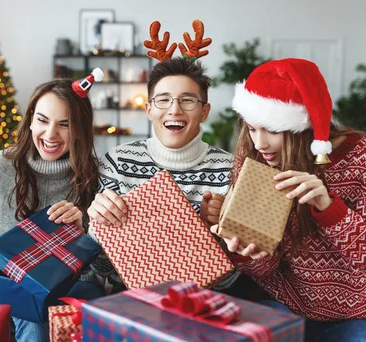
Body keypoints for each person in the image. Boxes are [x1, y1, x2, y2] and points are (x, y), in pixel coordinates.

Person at [211, 58, 366, 342]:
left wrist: (328, 207)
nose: (259, 143)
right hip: (284, 306)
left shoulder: (359, 157)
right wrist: (245, 251)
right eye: (252, 128)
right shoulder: (255, 159)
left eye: (271, 129)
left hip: (356, 314)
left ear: (303, 126)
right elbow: (265, 269)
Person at [82, 20, 240, 295]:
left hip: (202, 305)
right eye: (163, 100)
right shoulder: (119, 162)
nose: (175, 109)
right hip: (132, 304)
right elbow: (102, 271)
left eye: (188, 100)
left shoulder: (230, 170)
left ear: (204, 111)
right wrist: (98, 228)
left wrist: (217, 233)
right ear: (149, 110)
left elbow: (230, 281)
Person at [0, 71, 103, 342]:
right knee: (32, 319)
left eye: (64, 124)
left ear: (79, 129)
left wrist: (83, 224)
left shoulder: (96, 175)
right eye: (42, 120)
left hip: (74, 287)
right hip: (9, 285)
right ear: (30, 120)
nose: (50, 134)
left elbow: (103, 258)